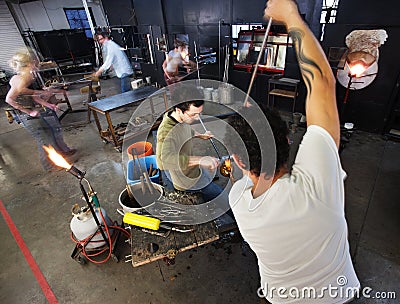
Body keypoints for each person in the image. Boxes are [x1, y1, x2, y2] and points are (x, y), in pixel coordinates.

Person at [227, 1, 360, 303]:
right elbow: (323, 84)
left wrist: (241, 142)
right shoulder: (316, 185)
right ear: (288, 140)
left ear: (237, 160)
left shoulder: (239, 201)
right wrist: (290, 16)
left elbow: (247, 176)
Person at [5, 49, 76, 171]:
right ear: (28, 64)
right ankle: (49, 165)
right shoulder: (20, 79)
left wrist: (49, 105)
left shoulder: (27, 77)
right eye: (34, 63)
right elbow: (9, 99)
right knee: (43, 139)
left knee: (50, 134)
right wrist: (29, 112)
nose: (36, 66)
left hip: (32, 112)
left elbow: (33, 97)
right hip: (25, 115)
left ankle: (58, 157)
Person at [156, 85, 225, 203]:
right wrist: (200, 160)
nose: (198, 118)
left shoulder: (180, 118)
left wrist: (199, 135)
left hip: (195, 171)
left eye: (200, 113)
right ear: (179, 110)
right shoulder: (166, 132)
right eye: (193, 115)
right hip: (186, 181)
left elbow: (185, 130)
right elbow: (163, 161)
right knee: (224, 200)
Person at [93, 28, 133, 93]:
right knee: (126, 92)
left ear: (105, 37)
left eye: (100, 40)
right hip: (122, 72)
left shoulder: (111, 46)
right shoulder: (110, 45)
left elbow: (108, 61)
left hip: (124, 72)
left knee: (125, 93)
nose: (100, 42)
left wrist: (99, 71)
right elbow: (112, 60)